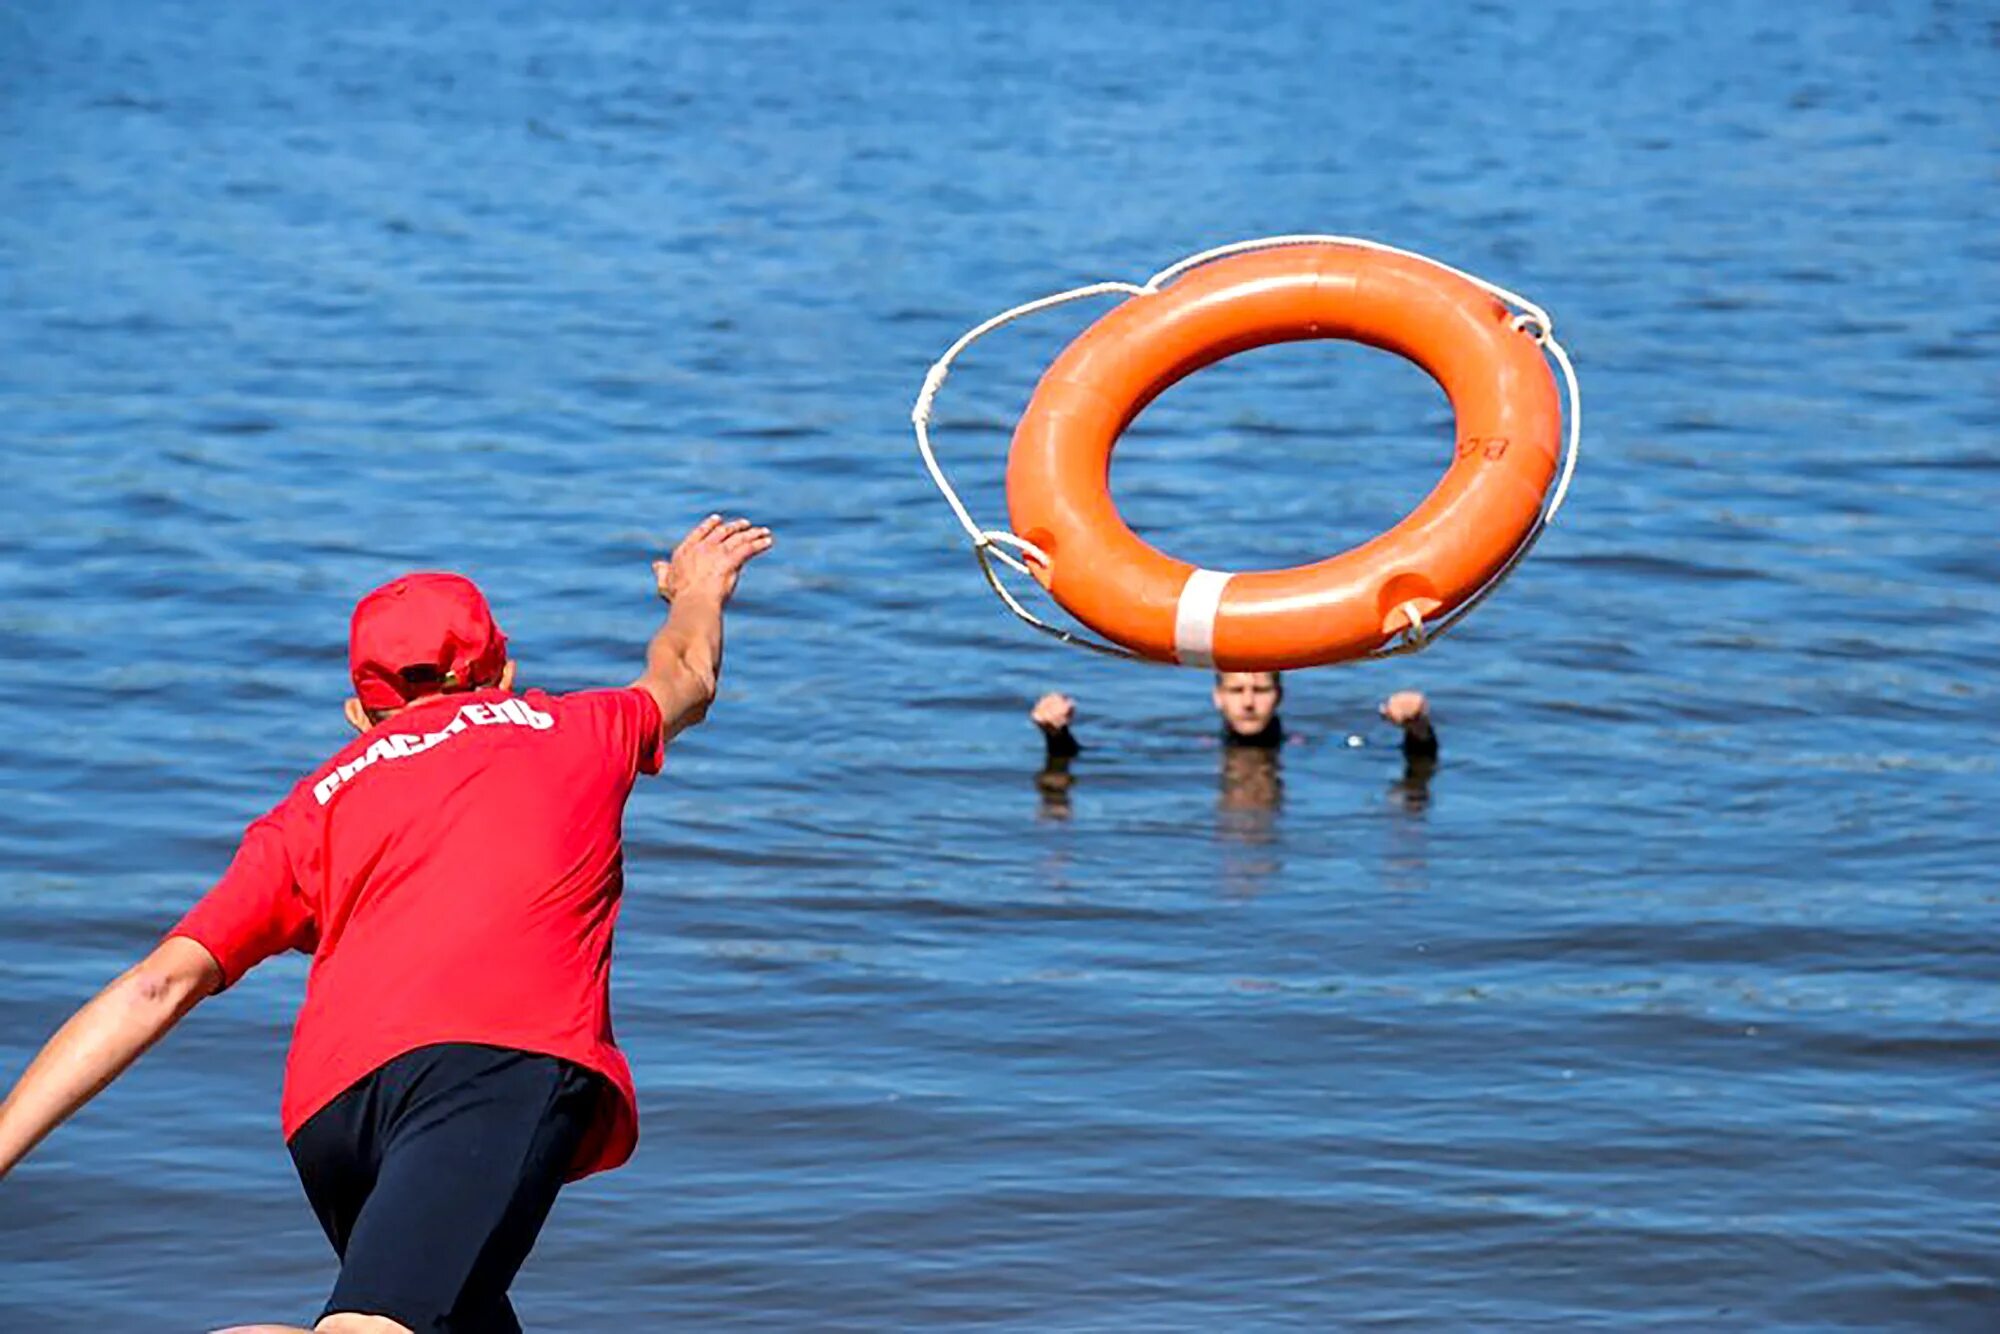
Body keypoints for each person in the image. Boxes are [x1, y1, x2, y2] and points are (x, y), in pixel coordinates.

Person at [0, 514, 774, 1334]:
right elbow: (687, 674)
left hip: (331, 1115)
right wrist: (695, 591)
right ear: (502, 673)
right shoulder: (573, 727)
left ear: (359, 716)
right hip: (489, 1062)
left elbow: (157, 984)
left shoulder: (309, 808)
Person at [1029, 671, 1439, 809]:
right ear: (1217, 697)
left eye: (1259, 690)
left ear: (1279, 695)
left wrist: (1417, 729)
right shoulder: (1198, 747)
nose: (1247, 702)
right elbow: (1090, 757)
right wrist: (1057, 737)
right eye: (1237, 690)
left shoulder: (1306, 745)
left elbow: (1414, 762)